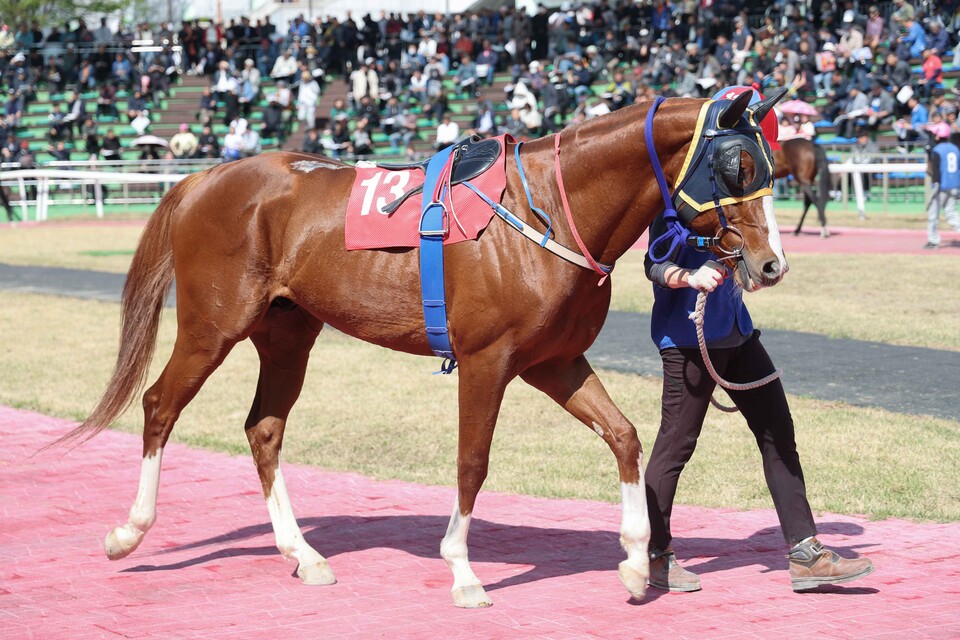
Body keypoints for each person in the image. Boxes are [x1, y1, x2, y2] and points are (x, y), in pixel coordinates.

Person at [642, 223, 876, 593]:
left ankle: (806, 555)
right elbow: (653, 265)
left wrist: (762, 271)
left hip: (739, 333)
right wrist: (690, 276)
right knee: (676, 446)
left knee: (778, 433)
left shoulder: (737, 203)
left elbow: (749, 262)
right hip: (688, 341)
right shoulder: (676, 204)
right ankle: (654, 554)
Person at [924, 122, 960, 249]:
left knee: (933, 214)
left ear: (938, 136)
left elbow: (936, 171)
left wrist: (935, 185)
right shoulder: (955, 148)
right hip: (955, 185)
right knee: (951, 213)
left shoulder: (937, 150)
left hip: (941, 186)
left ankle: (933, 240)